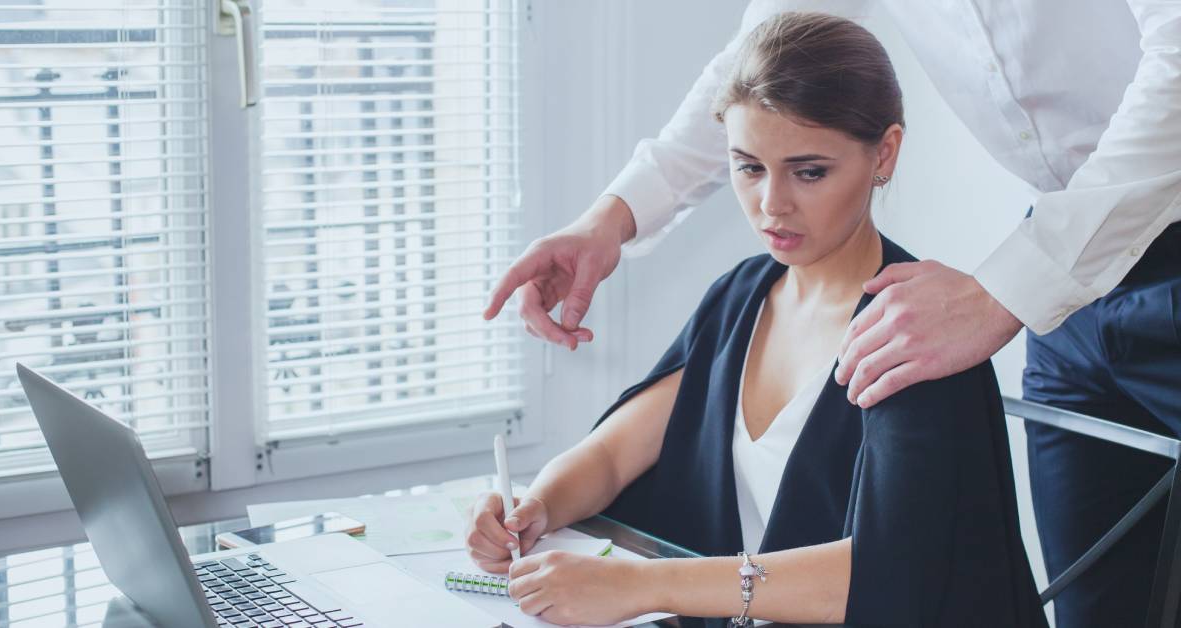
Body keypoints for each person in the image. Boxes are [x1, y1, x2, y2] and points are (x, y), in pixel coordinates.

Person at [482, 2, 1181, 626]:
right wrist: (612, 217)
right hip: (1076, 263)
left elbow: (899, 573)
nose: (772, 205)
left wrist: (641, 585)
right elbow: (752, 75)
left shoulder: (909, 328)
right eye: (748, 167)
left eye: (810, 171)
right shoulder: (741, 299)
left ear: (885, 155)